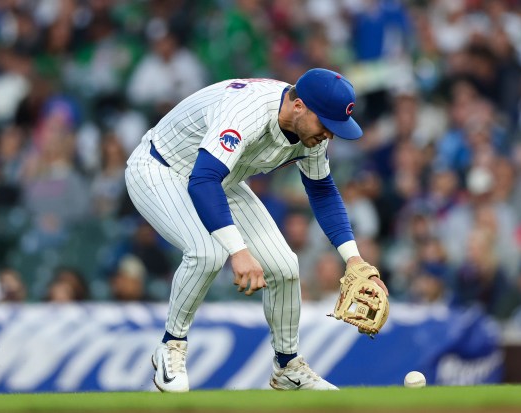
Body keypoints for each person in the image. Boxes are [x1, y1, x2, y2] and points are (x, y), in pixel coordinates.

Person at [125, 68, 388, 392]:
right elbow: (203, 181)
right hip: (159, 167)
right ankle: (171, 345)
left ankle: (287, 366)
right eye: (326, 124)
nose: (329, 135)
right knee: (207, 252)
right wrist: (239, 251)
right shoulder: (247, 110)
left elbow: (322, 191)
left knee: (285, 267)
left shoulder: (311, 131)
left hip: (219, 176)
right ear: (298, 106)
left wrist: (354, 259)